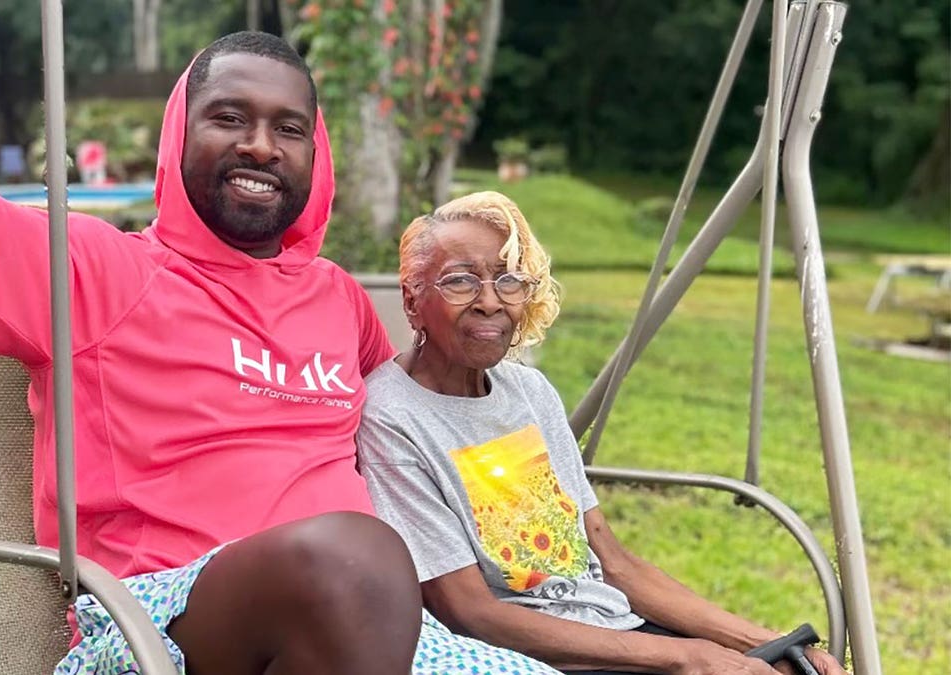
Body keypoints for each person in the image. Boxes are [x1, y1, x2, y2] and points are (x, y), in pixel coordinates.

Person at [0, 2, 574, 673]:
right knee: (348, 559)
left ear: (314, 155)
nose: (261, 143)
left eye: (289, 128)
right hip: (160, 629)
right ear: (182, 134)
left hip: (388, 633)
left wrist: (574, 579)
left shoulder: (338, 303)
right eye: (230, 117)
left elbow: (431, 420)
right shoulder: (89, 267)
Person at [356, 191, 849, 675]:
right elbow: (469, 612)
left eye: (508, 281)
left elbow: (613, 563)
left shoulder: (528, 390)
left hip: (621, 633)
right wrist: (685, 656)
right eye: (460, 282)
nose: (491, 302)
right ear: (413, 301)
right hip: (539, 655)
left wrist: (771, 643)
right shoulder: (392, 416)